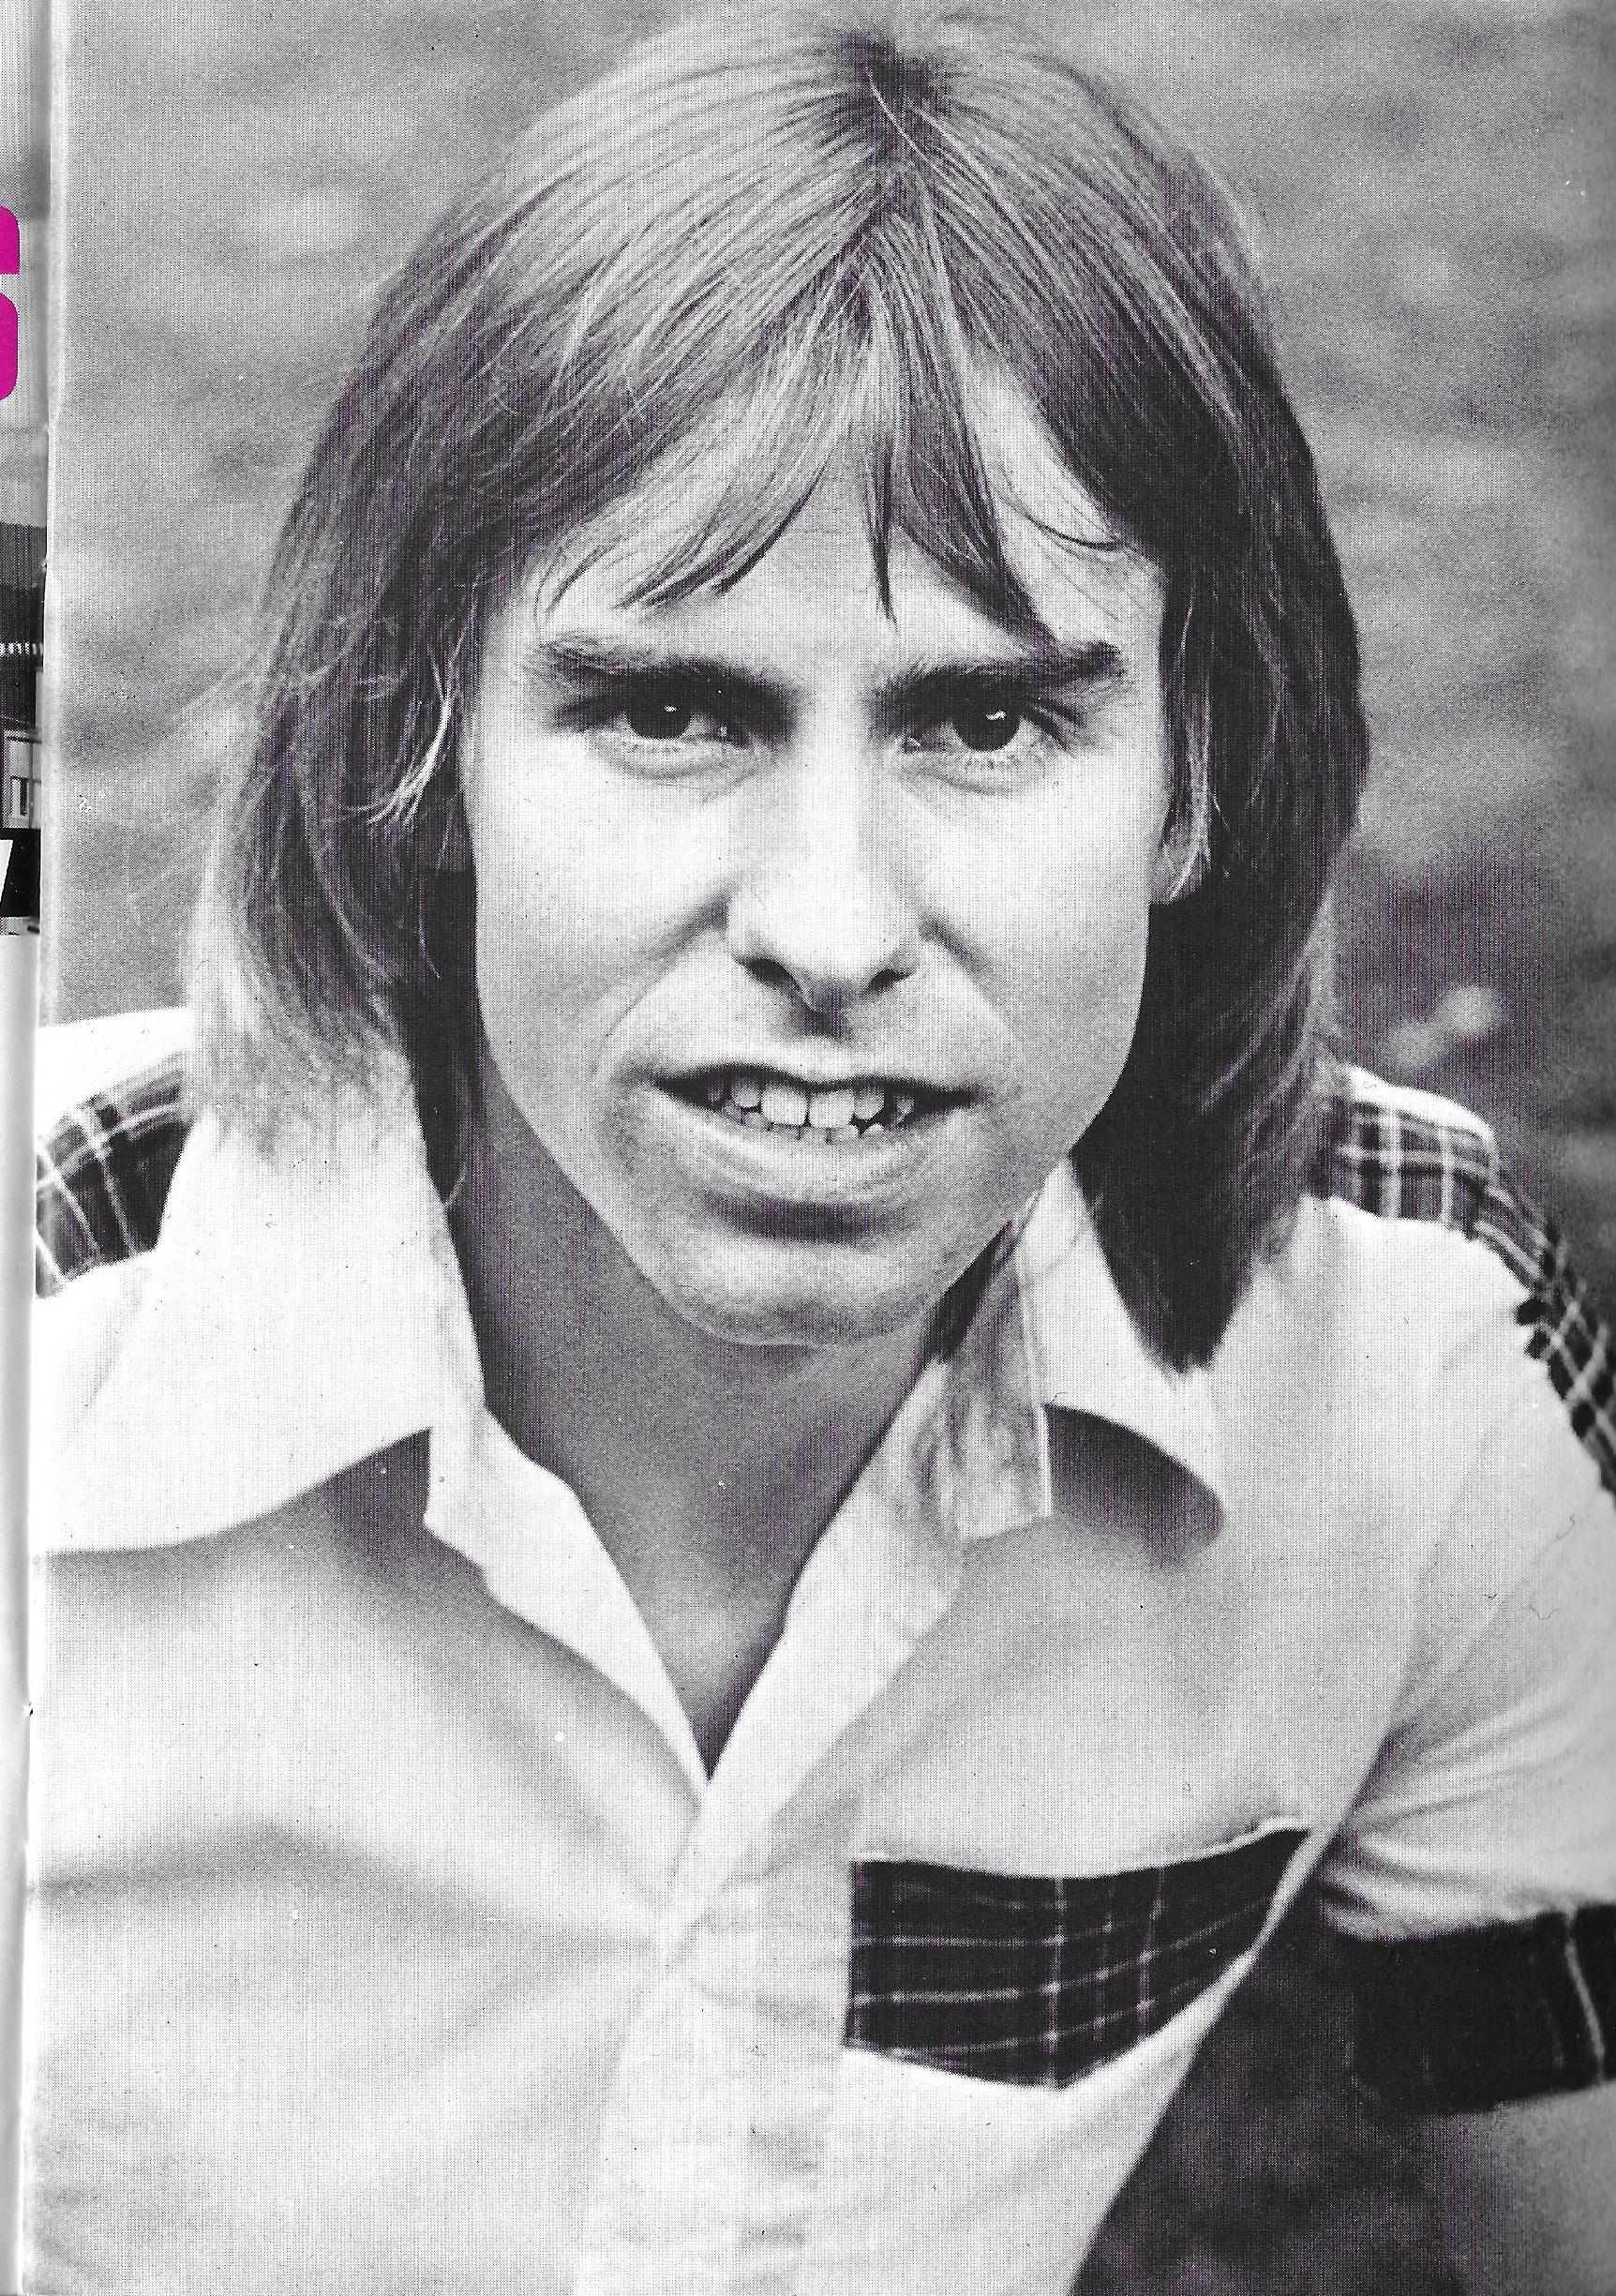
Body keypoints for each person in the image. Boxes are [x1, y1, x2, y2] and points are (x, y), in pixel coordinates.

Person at [26, 9, 1616, 2291]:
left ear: (1196, 770)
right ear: (421, 748)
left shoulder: (1417, 1363)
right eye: (671, 708)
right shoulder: (54, 1364)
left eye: (987, 716)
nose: (831, 927)